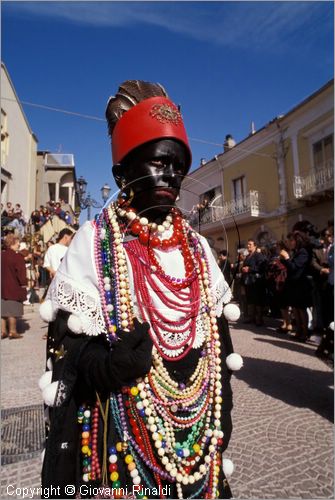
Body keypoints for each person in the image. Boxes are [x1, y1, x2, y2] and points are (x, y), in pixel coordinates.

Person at [40, 80, 242, 499]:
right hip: (125, 439)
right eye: (157, 162)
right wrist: (107, 364)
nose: (171, 175)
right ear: (122, 173)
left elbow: (218, 342)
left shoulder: (198, 247)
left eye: (177, 164)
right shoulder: (93, 242)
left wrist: (221, 411)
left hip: (198, 437)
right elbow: (64, 347)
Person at [280, 231, 313, 342]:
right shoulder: (297, 251)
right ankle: (298, 331)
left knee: (301, 309)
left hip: (301, 284)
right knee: (295, 308)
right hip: (293, 285)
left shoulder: (303, 252)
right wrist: (283, 259)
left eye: (292, 240)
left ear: (297, 241)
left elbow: (294, 267)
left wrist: (287, 258)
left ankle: (305, 332)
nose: (290, 242)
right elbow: (290, 267)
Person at [1, 234, 28, 339]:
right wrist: (24, 284)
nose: (19, 245)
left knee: (2, 311)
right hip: (13, 287)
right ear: (13, 243)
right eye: (18, 243)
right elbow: (21, 273)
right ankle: (12, 331)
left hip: (1, 287)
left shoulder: (1, 255)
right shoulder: (17, 257)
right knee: (12, 310)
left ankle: (2, 331)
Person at [241, 239, 267, 326]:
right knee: (250, 300)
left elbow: (262, 267)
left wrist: (250, 269)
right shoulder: (248, 256)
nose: (248, 246)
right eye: (248, 244)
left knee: (258, 300)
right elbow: (244, 267)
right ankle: (252, 318)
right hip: (248, 281)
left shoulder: (258, 255)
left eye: (250, 244)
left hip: (256, 281)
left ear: (255, 246)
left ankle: (259, 319)